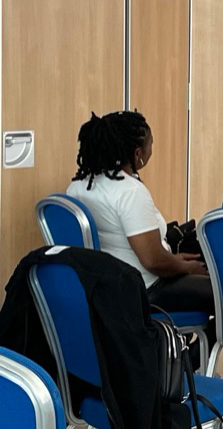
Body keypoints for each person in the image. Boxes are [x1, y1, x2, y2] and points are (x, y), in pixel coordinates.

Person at [66, 111, 214, 320]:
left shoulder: (77, 187)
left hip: (107, 287)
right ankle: (197, 350)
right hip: (144, 289)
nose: (152, 149)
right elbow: (152, 261)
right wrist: (187, 267)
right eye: (151, 144)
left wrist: (172, 260)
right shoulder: (129, 191)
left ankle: (190, 347)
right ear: (137, 154)